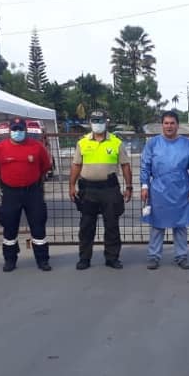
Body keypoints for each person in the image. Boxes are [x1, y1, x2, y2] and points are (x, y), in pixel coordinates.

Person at [68, 109, 133, 270]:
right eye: (95, 121)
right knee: (86, 226)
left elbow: (125, 165)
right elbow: (76, 165)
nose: (98, 124)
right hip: (88, 189)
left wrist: (129, 186)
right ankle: (84, 258)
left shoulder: (116, 142)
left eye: (101, 121)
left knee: (111, 225)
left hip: (109, 189)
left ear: (106, 122)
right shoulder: (82, 142)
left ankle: (112, 258)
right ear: (90, 123)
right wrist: (71, 185)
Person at [141, 111, 189, 270]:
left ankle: (182, 256)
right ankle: (154, 256)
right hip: (158, 190)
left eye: (172, 123)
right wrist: (144, 185)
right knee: (157, 224)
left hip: (181, 190)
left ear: (177, 125)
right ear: (162, 125)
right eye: (166, 123)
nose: (169, 126)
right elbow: (145, 166)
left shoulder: (186, 143)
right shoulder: (153, 143)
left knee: (180, 224)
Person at [0, 117, 53, 273]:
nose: (17, 132)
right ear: (10, 130)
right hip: (10, 193)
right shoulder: (0, 148)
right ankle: (10, 260)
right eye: (14, 129)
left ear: (25, 130)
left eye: (20, 129)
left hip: (33, 192)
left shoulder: (37, 147)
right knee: (9, 227)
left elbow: (45, 166)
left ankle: (42, 260)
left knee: (38, 226)